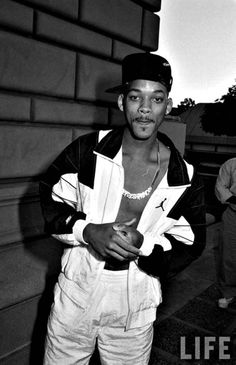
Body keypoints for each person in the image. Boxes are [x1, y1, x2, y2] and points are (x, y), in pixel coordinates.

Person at [39, 53, 206, 365]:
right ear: (121, 103)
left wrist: (146, 245)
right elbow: (50, 200)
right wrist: (87, 231)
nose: (145, 108)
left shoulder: (185, 177)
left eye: (156, 98)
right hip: (76, 297)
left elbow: (191, 242)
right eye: (135, 97)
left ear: (168, 107)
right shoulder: (88, 151)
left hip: (135, 308)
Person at [215, 158, 236, 309]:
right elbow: (220, 186)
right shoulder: (231, 164)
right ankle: (229, 292)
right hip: (233, 214)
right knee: (229, 254)